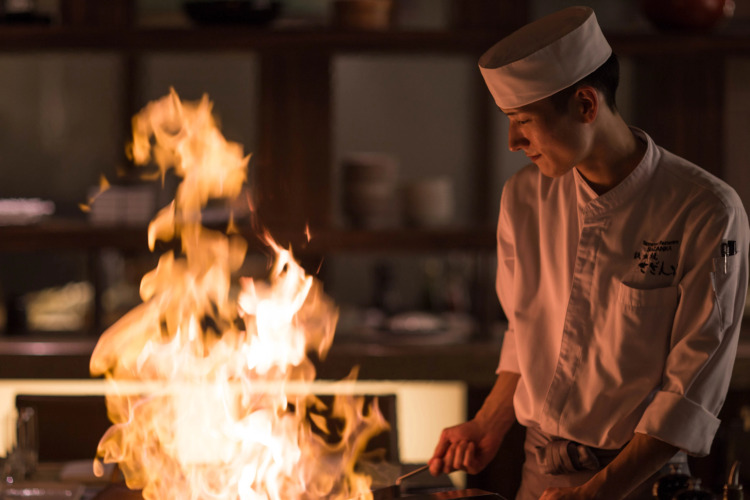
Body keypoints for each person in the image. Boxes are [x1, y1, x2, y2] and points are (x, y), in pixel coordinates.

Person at [428, 6, 750, 500]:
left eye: (524, 121)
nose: (513, 142)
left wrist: (596, 493)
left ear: (585, 105)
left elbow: (689, 391)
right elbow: (525, 333)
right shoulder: (524, 198)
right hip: (540, 470)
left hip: (639, 481)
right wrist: (489, 422)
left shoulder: (706, 210)